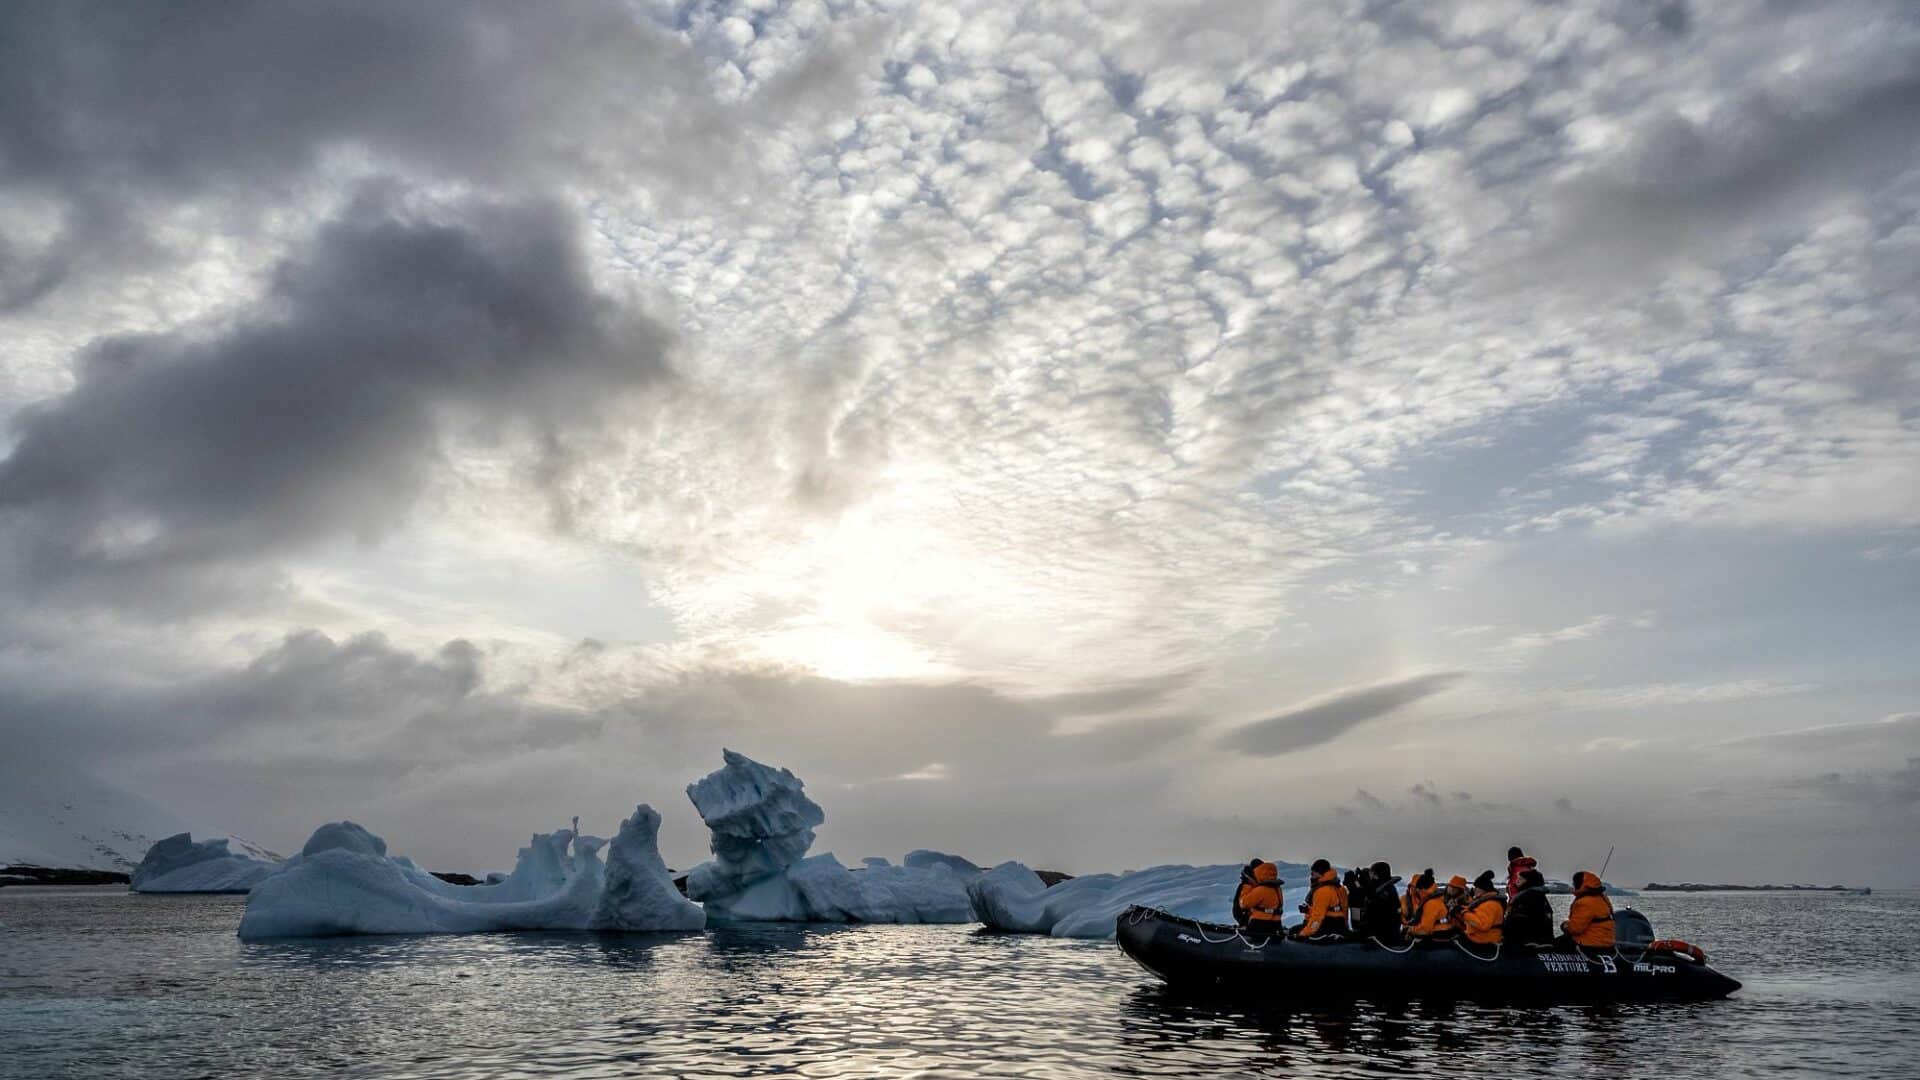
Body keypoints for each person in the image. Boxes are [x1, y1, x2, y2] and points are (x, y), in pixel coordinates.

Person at [1557, 870, 1615, 949]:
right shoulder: (1603, 898)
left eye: (1575, 883)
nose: (1574, 885)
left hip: (1589, 942)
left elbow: (1575, 929)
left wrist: (1565, 925)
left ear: (1580, 884)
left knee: (1554, 945)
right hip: (1606, 941)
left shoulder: (1585, 902)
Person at [1293, 858, 1350, 939]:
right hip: (1338, 924)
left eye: (1314, 871)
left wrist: (1304, 934)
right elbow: (1343, 909)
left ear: (1320, 873)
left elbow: (1318, 916)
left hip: (1326, 924)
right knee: (1295, 929)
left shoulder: (1323, 891)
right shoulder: (1339, 888)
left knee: (1294, 931)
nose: (1311, 874)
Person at [1504, 867, 1555, 946]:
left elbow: (1519, 920)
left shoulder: (1527, 898)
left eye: (1520, 879)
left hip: (1529, 941)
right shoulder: (1540, 896)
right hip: (1543, 939)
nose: (1516, 881)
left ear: (1529, 882)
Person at [1356, 860, 1404, 942]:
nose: (1369, 875)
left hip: (1381, 935)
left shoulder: (1383, 892)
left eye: (1371, 872)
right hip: (1389, 933)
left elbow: (1376, 913)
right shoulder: (1387, 888)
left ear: (1376, 875)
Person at [1234, 859, 1285, 935]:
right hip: (1276, 924)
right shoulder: (1278, 889)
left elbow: (1243, 904)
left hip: (1259, 924)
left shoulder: (1261, 890)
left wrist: (1246, 886)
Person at [1458, 870, 1506, 945]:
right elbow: (1478, 914)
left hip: (1483, 939)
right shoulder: (1485, 902)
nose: (1475, 890)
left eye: (1477, 887)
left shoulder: (1490, 904)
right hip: (1479, 936)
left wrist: (1464, 913)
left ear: (1484, 889)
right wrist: (1461, 909)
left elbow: (1483, 925)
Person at [1407, 873, 1459, 939]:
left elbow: (1425, 929)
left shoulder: (1431, 903)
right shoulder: (1437, 896)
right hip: (1445, 929)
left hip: (1439, 934)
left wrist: (1411, 930)